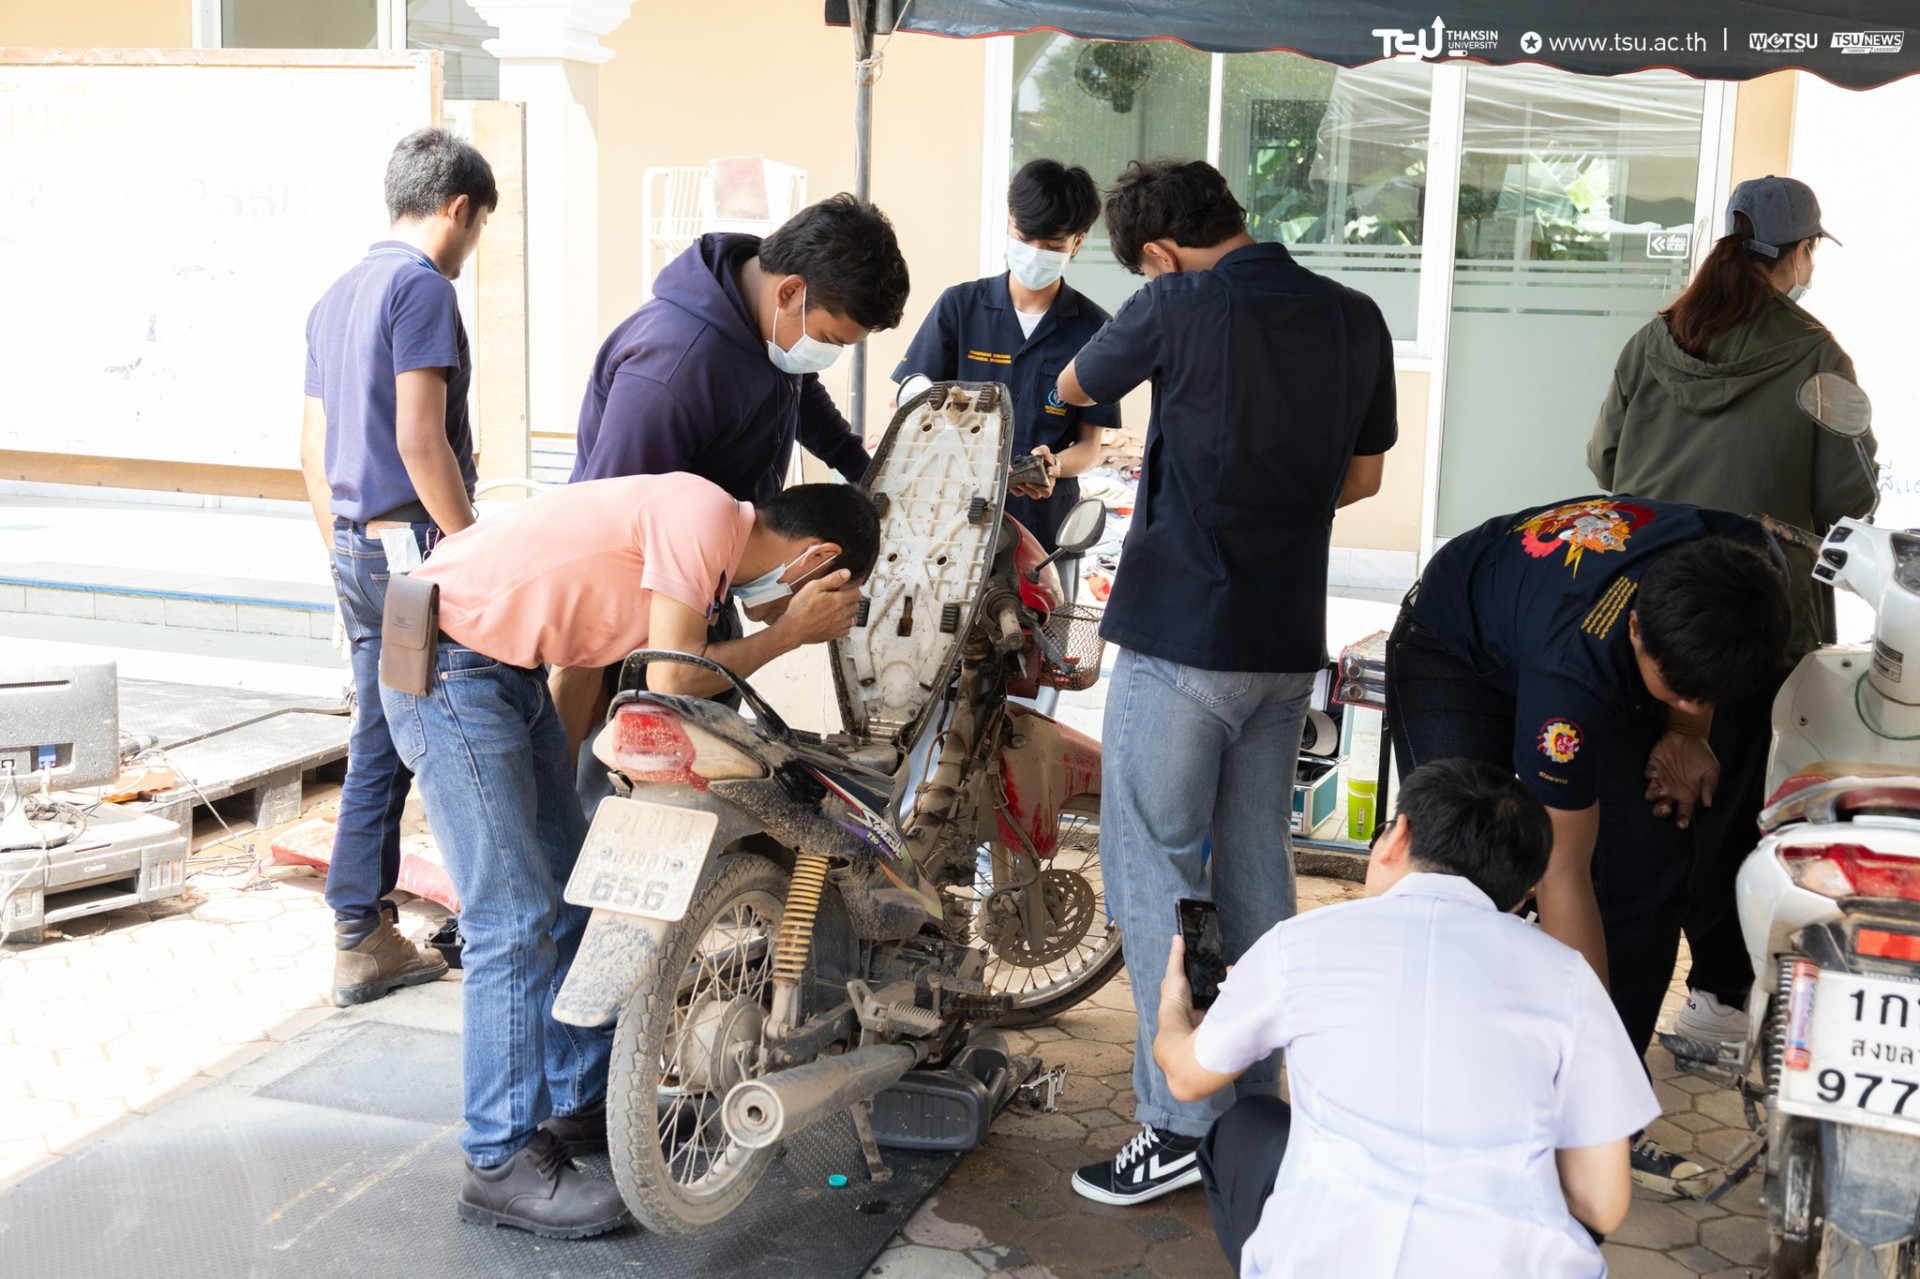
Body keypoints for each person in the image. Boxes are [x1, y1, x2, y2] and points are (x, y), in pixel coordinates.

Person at [384, 476, 877, 1238]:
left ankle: (583, 1095)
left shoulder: (710, 546)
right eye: (834, 598)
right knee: (510, 916)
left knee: (566, 888)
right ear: (816, 561)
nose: (819, 614)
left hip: (501, 673)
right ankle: (498, 1158)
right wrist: (790, 633)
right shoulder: (703, 517)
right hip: (451, 665)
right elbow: (672, 676)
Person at [1058, 159, 1397, 1206]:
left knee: (1157, 872)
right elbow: (1363, 477)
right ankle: (1253, 1108)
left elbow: (1074, 388)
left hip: (1179, 638)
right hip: (1284, 642)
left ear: (1161, 253)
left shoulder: (1177, 303)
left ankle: (1179, 1121)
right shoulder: (1355, 315)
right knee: (1257, 877)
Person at [1384, 497, 1790, 1188]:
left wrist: (1685, 730)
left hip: (1580, 642)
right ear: (1636, 631)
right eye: (1679, 691)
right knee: (1467, 872)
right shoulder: (1574, 677)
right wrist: (1587, 1053)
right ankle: (1448, 1112)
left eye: (1707, 694)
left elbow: (1696, 683)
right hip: (1457, 650)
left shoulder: (1747, 565)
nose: (1695, 703)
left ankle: (1602, 1124)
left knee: (1649, 864)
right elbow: (1560, 870)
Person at [1157, 758, 1656, 1278]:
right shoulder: (1568, 976)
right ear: (1520, 898)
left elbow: (1187, 1078)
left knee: (1246, 1126)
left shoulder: (1300, 942)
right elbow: (1602, 1206)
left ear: (1397, 836)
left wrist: (1174, 1006)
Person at [1587, 175, 1877, 1050]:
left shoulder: (1655, 338)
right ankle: (1715, 998)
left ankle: (1604, 994)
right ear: (1799, 252)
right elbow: (1850, 494)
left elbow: (1604, 458)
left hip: (1639, 609)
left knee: (1641, 798)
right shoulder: (1818, 356)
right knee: (1733, 805)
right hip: (1754, 617)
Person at [556, 195, 910, 793]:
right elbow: (608, 527)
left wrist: (868, 472)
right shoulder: (673, 369)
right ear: (791, 291)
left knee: (701, 770)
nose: (826, 356)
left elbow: (803, 393)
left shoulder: (768, 327)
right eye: (829, 338)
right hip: (637, 607)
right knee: (626, 781)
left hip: (710, 575)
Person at [297, 127, 496, 1007]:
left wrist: (349, 550)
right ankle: (429, 926)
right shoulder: (421, 288)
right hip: (413, 548)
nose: (471, 247)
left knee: (380, 734)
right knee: (449, 728)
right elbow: (421, 440)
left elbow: (310, 452)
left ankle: (362, 929)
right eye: (477, 228)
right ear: (457, 208)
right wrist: (473, 546)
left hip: (354, 541)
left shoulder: (336, 294)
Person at [892, 159, 1119, 605]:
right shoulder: (959, 307)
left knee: (1039, 637)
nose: (1034, 252)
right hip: (952, 523)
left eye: (1051, 245)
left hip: (1046, 532)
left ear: (1077, 242)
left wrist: (1054, 466)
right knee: (947, 634)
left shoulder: (1095, 330)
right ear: (1009, 221)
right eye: (1025, 237)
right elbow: (908, 402)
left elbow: (1090, 447)